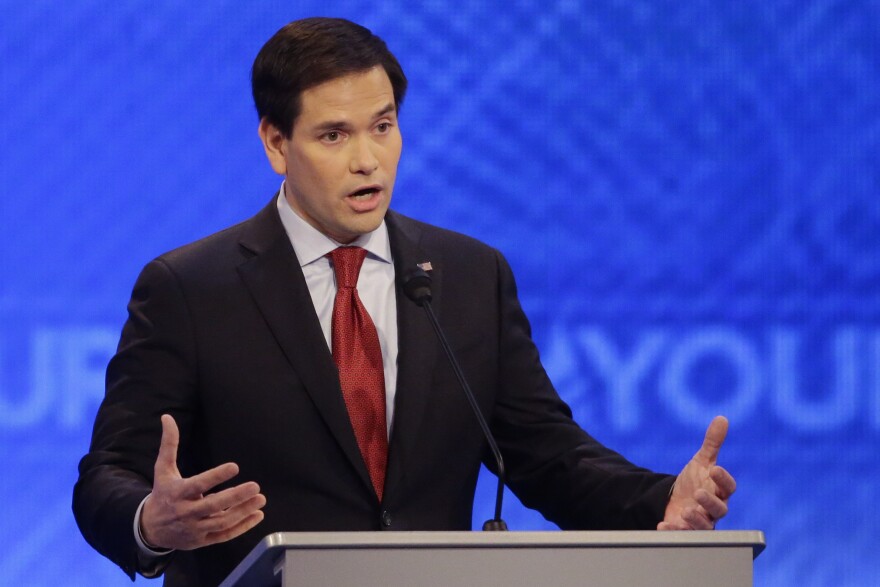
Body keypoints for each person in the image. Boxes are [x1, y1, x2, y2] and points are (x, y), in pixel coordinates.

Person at [73, 17, 736, 586]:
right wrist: (151, 522)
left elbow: (546, 455)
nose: (370, 159)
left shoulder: (469, 274)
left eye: (383, 126)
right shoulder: (191, 287)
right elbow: (107, 475)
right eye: (335, 135)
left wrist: (659, 497)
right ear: (277, 143)